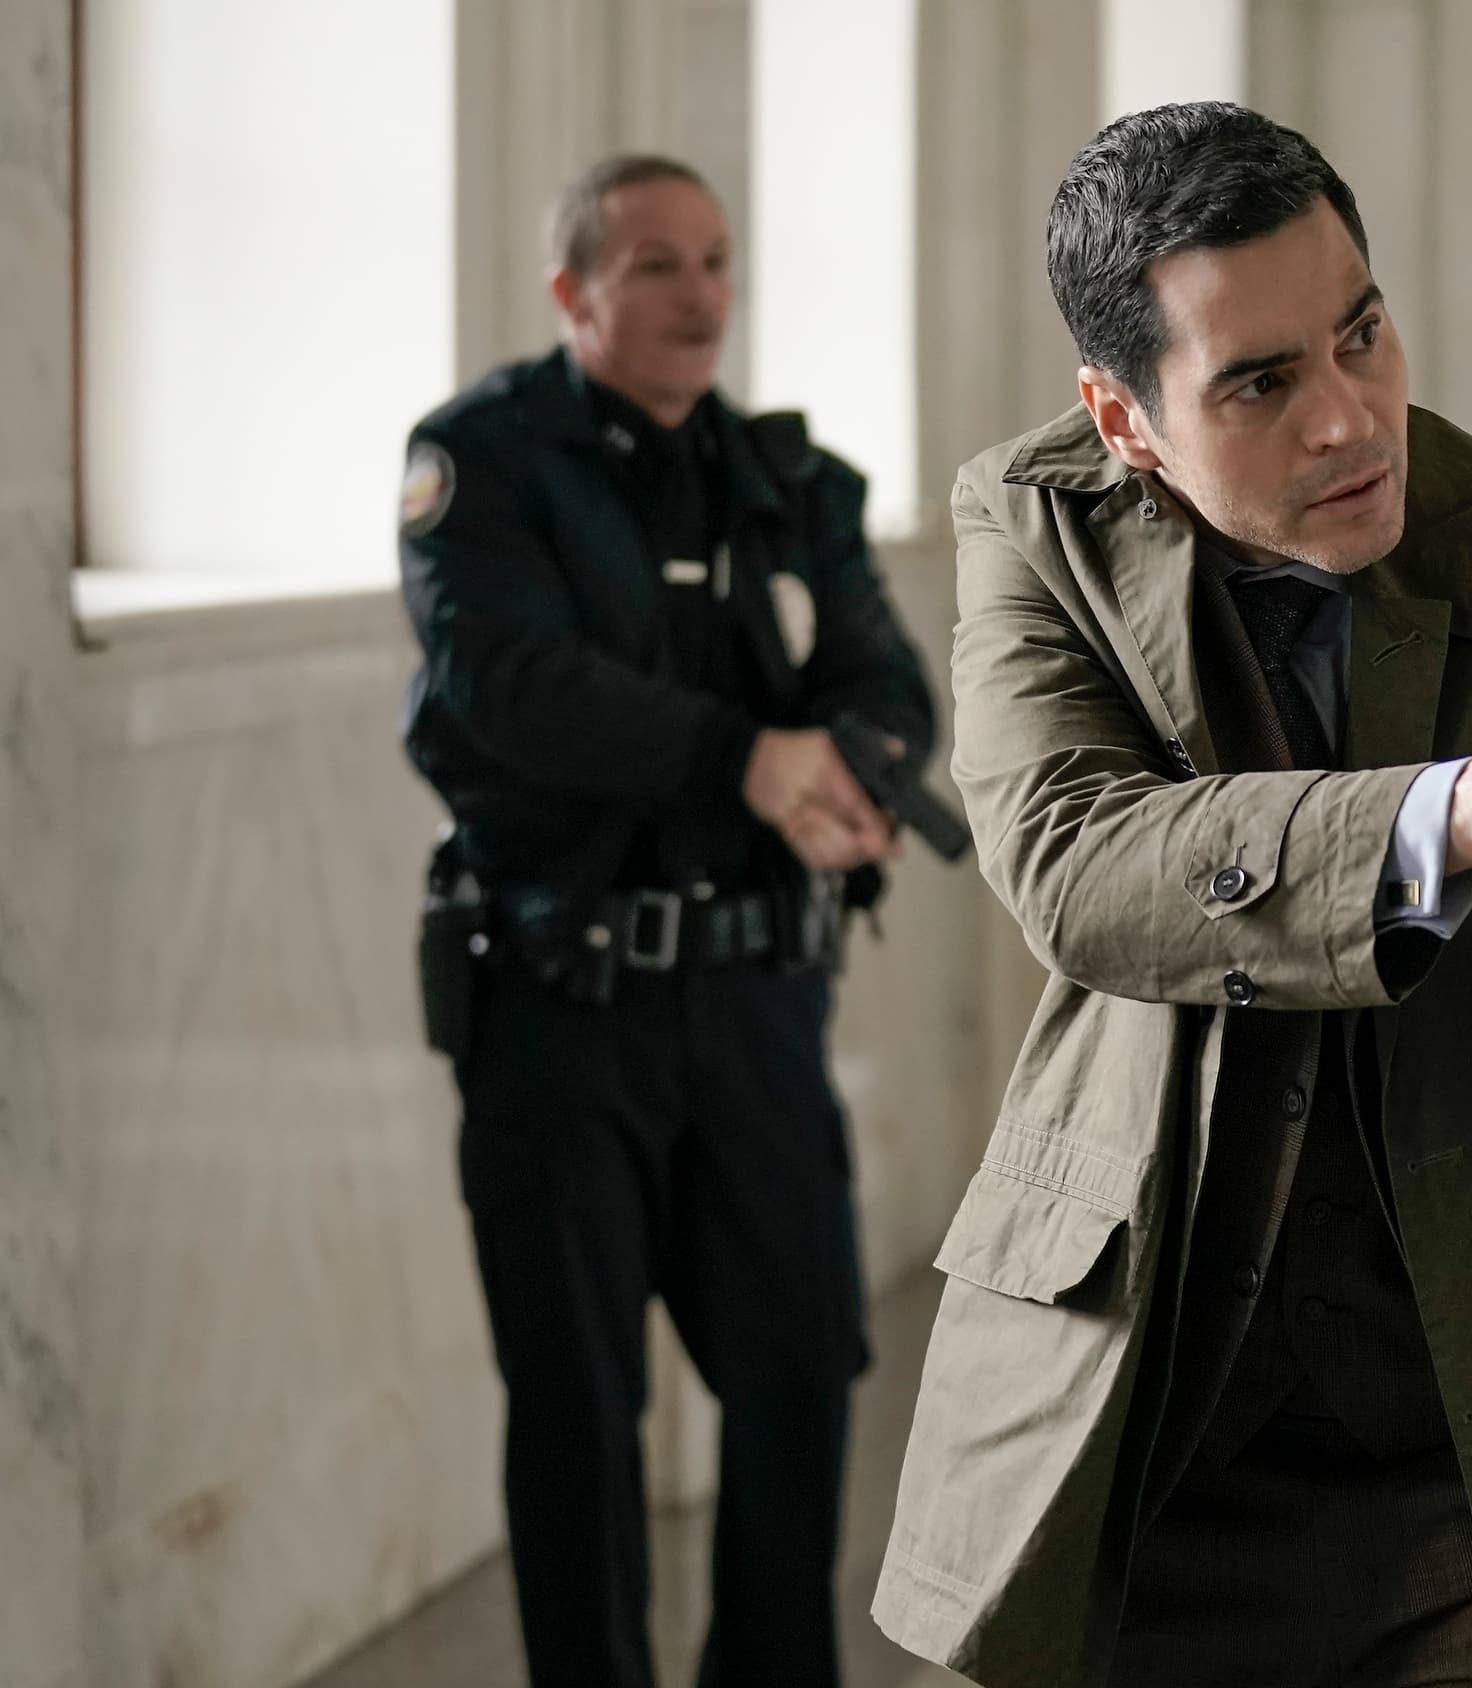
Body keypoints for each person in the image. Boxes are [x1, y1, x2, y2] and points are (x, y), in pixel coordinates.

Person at [869, 104, 1472, 1688]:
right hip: (1150, 1426)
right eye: (1260, 383)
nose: (1348, 420)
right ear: (1124, 419)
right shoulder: (1037, 522)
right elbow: (1075, 863)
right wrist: (1454, 812)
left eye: (1362, 334)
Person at [399, 156, 936, 1687]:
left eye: (715, 260)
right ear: (572, 291)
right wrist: (742, 758)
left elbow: (889, 684)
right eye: (655, 267)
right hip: (560, 1003)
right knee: (578, 1413)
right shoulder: (481, 461)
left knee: (800, 1380)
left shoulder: (788, 478)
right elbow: (510, 684)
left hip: (757, 1005)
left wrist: (853, 777)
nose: (701, 296)